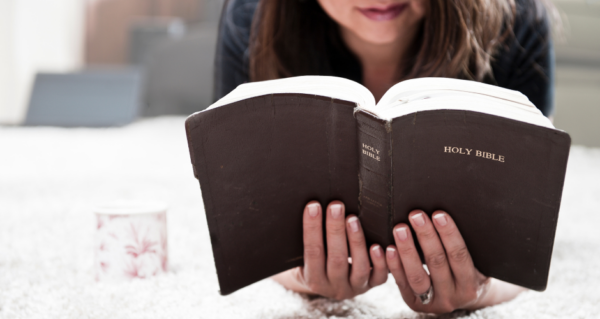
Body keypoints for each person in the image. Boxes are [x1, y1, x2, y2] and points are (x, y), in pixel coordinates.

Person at [213, 0, 556, 314]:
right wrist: (299, 274)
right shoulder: (250, 17)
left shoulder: (517, 19)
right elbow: (237, 223)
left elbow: (533, 237)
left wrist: (482, 292)